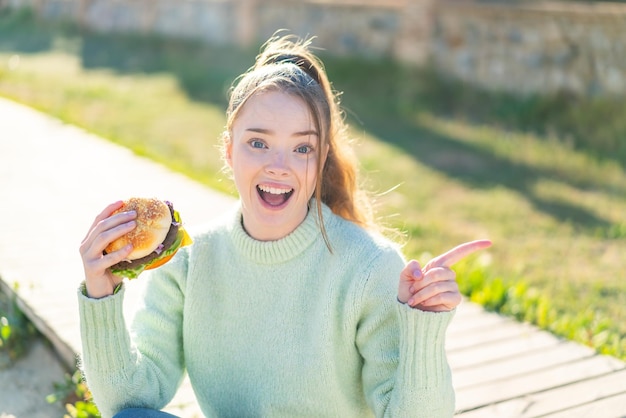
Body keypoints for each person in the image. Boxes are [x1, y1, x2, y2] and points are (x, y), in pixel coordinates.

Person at [78, 34, 491, 418]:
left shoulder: (370, 267)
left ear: (322, 156)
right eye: (258, 142)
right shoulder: (188, 261)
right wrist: (101, 292)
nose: (279, 167)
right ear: (228, 148)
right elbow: (130, 402)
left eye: (302, 148)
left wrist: (423, 328)